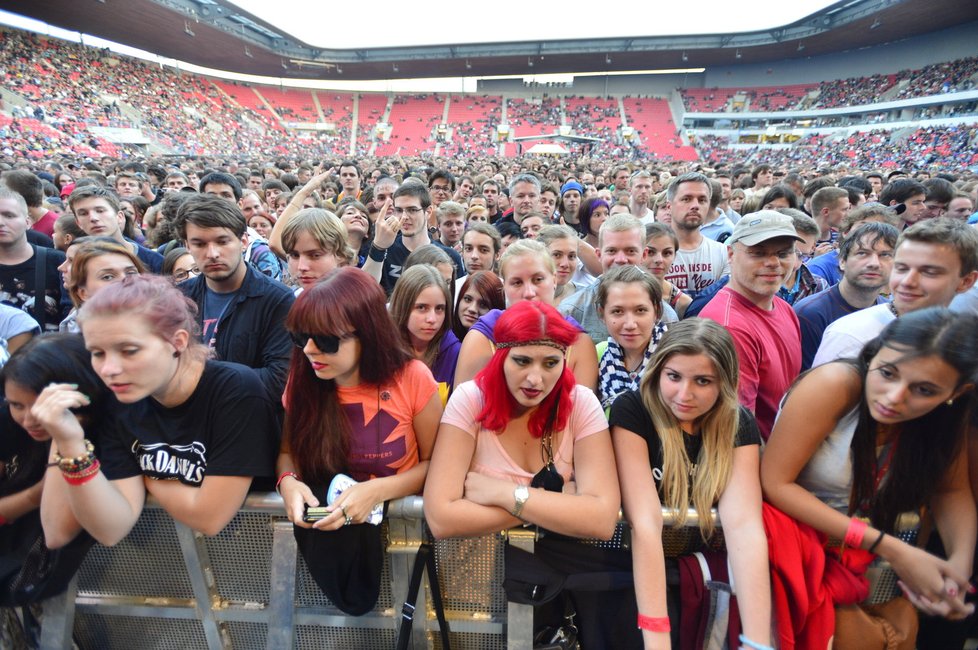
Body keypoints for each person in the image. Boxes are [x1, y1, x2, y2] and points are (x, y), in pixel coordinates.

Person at [761, 309, 978, 647]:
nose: (894, 396)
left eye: (924, 389)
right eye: (888, 373)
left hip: (873, 578)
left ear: (957, 392)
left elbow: (951, 490)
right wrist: (893, 549)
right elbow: (776, 484)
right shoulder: (835, 384)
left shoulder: (947, 419)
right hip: (796, 566)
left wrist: (958, 569)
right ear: (873, 354)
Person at [40, 275, 279, 549]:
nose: (109, 369)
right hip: (169, 566)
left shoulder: (235, 390)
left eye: (129, 351)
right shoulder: (119, 400)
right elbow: (111, 529)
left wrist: (146, 477)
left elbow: (210, 517)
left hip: (252, 558)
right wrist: (69, 444)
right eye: (98, 353)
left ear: (177, 341)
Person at [611, 319, 771, 650]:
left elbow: (744, 527)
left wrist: (756, 642)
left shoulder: (738, 423)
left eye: (702, 381)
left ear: (724, 383)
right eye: (674, 377)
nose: (685, 394)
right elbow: (645, 522)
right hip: (634, 570)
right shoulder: (633, 410)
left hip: (703, 575)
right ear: (658, 372)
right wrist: (657, 640)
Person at [424, 300, 619, 540]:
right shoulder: (470, 400)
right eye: (522, 361)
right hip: (477, 570)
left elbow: (602, 520)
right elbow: (441, 519)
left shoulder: (582, 404)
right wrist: (557, 500)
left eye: (551, 363)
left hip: (558, 570)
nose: (535, 379)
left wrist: (505, 494)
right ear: (501, 357)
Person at [275, 266, 441, 536]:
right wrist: (288, 483)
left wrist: (376, 491)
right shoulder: (302, 379)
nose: (308, 349)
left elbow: (435, 463)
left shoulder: (412, 378)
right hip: (330, 539)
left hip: (402, 534)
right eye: (301, 337)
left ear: (368, 333)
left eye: (326, 340)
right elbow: (287, 453)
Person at [0, 334, 114, 609]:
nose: (28, 419)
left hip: (86, 585)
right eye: (17, 405)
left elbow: (56, 533)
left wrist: (63, 438)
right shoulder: (6, 421)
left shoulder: (106, 434)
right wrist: (34, 495)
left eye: (41, 406)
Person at [174, 194, 295, 399]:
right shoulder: (177, 298)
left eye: (222, 241)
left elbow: (278, 379)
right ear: (187, 246)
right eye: (200, 244)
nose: (212, 253)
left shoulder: (277, 300)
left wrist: (197, 377)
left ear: (244, 241)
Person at [812, 218, 978, 367]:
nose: (907, 282)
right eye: (901, 268)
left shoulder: (965, 340)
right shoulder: (851, 337)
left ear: (966, 281)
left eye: (929, 272)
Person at [699, 210, 803, 441]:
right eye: (758, 253)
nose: (773, 263)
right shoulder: (729, 326)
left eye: (783, 253)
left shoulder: (783, 306)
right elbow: (738, 430)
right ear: (731, 254)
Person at [454, 240, 598, 390]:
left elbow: (580, 410)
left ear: (554, 280)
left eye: (538, 280)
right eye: (517, 282)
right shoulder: (483, 336)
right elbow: (464, 407)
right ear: (504, 288)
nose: (529, 293)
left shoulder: (578, 341)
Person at [794, 221, 898, 370]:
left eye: (885, 255)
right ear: (842, 261)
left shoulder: (890, 312)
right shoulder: (809, 314)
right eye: (862, 253)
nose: (874, 263)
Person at [595, 265, 666, 411]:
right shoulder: (598, 355)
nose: (630, 324)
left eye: (640, 310)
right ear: (602, 314)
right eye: (617, 311)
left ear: (656, 311)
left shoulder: (673, 356)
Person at [389, 264, 461, 400]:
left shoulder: (455, 353)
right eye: (422, 307)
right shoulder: (382, 348)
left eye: (439, 308)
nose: (432, 319)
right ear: (402, 305)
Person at [280, 208, 355, 294]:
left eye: (315, 255)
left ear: (341, 256)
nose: (302, 267)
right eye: (295, 255)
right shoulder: (291, 300)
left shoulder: (357, 302)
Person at [644, 223, 691, 319]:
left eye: (667, 253)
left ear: (675, 256)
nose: (659, 260)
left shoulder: (683, 304)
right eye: (650, 252)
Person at [453, 270, 504, 341]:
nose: (472, 309)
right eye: (467, 299)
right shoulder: (443, 339)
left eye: (483, 305)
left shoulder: (501, 347)